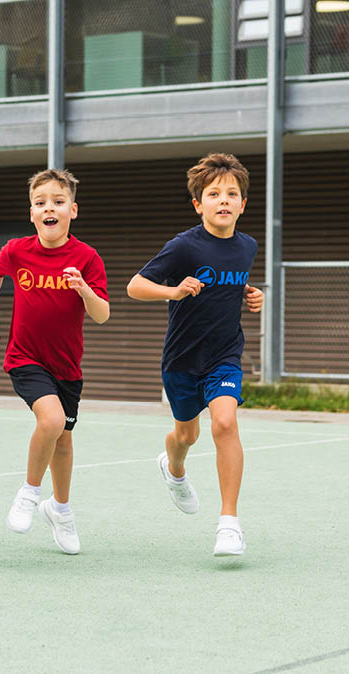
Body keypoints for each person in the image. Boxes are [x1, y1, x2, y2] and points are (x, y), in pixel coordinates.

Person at [126, 152, 263, 556]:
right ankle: (174, 468)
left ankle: (229, 525)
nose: (224, 200)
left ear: (242, 204)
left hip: (224, 355)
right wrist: (173, 290)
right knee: (186, 435)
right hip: (182, 361)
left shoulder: (247, 246)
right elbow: (135, 286)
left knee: (224, 423)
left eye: (232, 193)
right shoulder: (184, 246)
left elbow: (229, 284)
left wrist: (250, 295)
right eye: (214, 193)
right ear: (198, 204)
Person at [0, 168, 109, 555]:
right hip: (25, 357)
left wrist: (83, 289)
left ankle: (61, 510)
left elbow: (102, 314)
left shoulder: (87, 258)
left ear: (73, 210)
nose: (48, 208)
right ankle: (30, 492)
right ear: (32, 213)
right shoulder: (18, 250)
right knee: (51, 421)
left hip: (67, 366)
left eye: (57, 202)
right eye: (41, 203)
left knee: (64, 441)